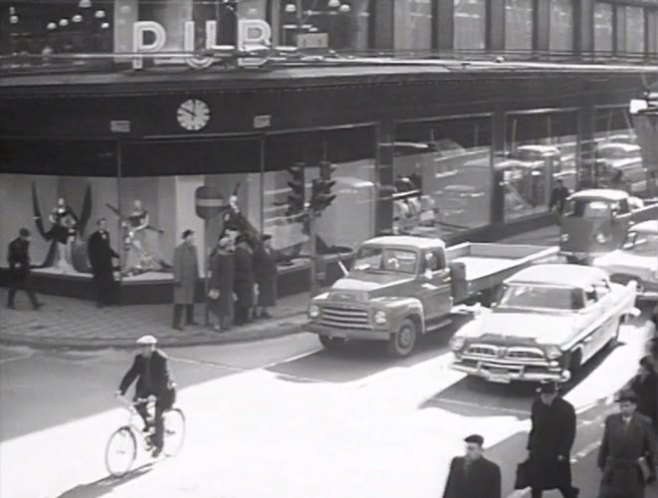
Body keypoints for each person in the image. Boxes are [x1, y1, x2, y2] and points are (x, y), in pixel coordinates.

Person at [116, 335, 176, 458]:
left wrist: (156, 396)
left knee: (159, 416)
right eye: (141, 348)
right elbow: (132, 374)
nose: (141, 350)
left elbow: (164, 378)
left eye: (144, 348)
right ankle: (150, 424)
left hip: (164, 391)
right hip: (147, 388)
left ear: (151, 347)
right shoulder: (139, 359)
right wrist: (121, 390)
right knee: (137, 404)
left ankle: (159, 446)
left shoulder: (161, 359)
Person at [598, 389, 657, 498]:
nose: (624, 409)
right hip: (613, 468)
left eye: (627, 406)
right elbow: (605, 443)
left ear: (634, 406)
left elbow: (651, 448)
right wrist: (601, 463)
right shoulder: (611, 420)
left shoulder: (644, 422)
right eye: (622, 406)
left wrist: (653, 468)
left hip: (632, 470)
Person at [527, 381, 579, 498]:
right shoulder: (537, 405)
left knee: (562, 482)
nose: (545, 399)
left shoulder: (566, 409)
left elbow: (570, 433)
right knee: (536, 483)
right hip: (539, 451)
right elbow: (534, 426)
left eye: (547, 396)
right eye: (543, 396)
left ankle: (571, 494)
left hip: (556, 452)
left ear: (554, 394)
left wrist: (563, 452)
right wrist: (531, 446)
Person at [443, 434, 501, 498]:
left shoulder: (491, 469)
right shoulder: (456, 462)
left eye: (472, 449)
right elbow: (448, 487)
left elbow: (495, 494)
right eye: (467, 448)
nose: (468, 452)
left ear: (480, 450)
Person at [7, 228, 43, 310]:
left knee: (28, 286)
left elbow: (25, 254)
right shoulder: (13, 244)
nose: (28, 238)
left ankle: (35, 304)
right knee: (14, 287)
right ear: (22, 236)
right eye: (26, 236)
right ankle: (10, 304)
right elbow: (10, 257)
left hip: (24, 268)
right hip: (16, 269)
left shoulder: (25, 243)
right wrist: (15, 264)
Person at [87, 218, 120, 307]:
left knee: (109, 281)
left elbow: (107, 248)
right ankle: (100, 301)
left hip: (107, 263)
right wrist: (93, 263)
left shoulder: (106, 234)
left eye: (105, 224)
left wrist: (116, 255)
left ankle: (109, 300)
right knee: (99, 282)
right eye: (102, 224)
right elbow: (90, 251)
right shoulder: (93, 237)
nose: (104, 226)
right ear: (98, 226)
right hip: (98, 264)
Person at [172, 229, 199, 331]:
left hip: (190, 279)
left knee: (190, 300)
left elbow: (196, 263)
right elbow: (177, 265)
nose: (192, 239)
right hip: (182, 279)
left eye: (193, 237)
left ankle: (189, 319)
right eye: (190, 236)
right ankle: (176, 323)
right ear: (185, 237)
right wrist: (177, 278)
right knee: (180, 301)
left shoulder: (194, 249)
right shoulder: (179, 249)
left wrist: (197, 275)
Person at [208, 236, 235, 332]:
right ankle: (217, 325)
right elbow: (215, 273)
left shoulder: (228, 257)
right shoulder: (218, 258)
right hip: (219, 287)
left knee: (225, 307)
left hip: (227, 286)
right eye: (229, 245)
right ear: (224, 246)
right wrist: (215, 287)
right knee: (218, 307)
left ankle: (223, 324)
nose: (231, 247)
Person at [626, 357, 658, 433]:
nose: (640, 369)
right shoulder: (638, 379)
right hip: (641, 411)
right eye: (641, 367)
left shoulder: (655, 380)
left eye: (643, 368)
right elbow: (632, 389)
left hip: (651, 413)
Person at [49, 197, 78, 272]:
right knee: (61, 247)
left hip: (67, 231)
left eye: (62, 201)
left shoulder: (68, 210)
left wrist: (71, 225)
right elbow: (51, 218)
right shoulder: (55, 210)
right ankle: (62, 261)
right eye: (59, 201)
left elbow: (74, 219)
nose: (61, 203)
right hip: (59, 231)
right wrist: (55, 222)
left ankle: (69, 262)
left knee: (67, 247)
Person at [253, 234, 277, 319]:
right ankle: (255, 312)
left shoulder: (271, 250)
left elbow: (278, 257)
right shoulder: (258, 251)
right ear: (263, 242)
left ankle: (264, 311)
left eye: (270, 241)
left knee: (268, 294)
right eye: (267, 241)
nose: (269, 243)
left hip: (270, 276)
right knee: (259, 294)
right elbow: (254, 264)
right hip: (261, 276)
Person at [233, 234, 255, 326]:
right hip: (241, 279)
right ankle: (239, 319)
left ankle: (244, 317)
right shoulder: (239, 252)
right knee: (241, 301)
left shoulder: (243, 252)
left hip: (245, 279)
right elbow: (246, 265)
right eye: (244, 243)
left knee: (245, 300)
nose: (246, 244)